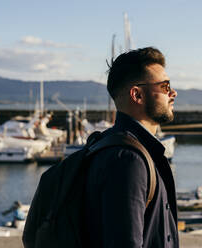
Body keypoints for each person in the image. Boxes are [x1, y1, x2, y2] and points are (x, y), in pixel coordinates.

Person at [83, 47, 179, 247]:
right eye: (165, 86)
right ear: (137, 95)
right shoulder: (128, 159)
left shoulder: (115, 145)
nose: (173, 93)